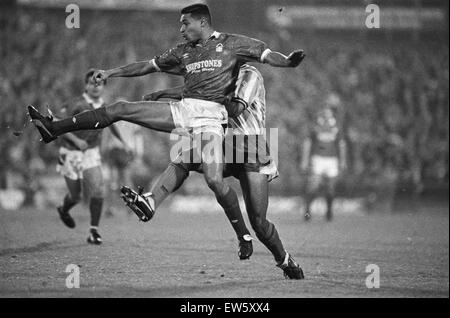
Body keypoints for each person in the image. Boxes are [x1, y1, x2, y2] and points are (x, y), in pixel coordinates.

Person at [27, 3, 304, 269]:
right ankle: (55, 129)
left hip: (246, 145)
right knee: (131, 116)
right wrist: (112, 73)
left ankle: (277, 254)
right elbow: (149, 66)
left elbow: (248, 82)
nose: (181, 28)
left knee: (257, 220)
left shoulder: (245, 66)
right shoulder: (186, 53)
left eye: (185, 23)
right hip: (202, 122)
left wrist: (289, 63)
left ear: (203, 22)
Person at [122, 64, 304, 279]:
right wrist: (162, 94)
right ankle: (151, 202)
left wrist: (205, 94)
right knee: (185, 156)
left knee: (259, 223)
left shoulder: (250, 74)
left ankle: (283, 260)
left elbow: (235, 108)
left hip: (250, 146)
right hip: (225, 142)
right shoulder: (219, 72)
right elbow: (196, 93)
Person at [53, 70, 129, 244]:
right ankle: (64, 210)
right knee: (76, 197)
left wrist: (123, 143)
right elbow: (56, 123)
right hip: (71, 152)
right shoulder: (75, 104)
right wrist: (75, 140)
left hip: (91, 152)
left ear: (103, 87)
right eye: (91, 83)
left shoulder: (105, 106)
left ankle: (93, 231)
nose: (95, 87)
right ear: (85, 85)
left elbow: (112, 124)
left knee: (99, 189)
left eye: (99, 83)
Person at [301, 95, 347, 221]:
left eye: (329, 110)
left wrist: (343, 160)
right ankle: (307, 211)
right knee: (313, 186)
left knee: (330, 188)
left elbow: (341, 143)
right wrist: (305, 160)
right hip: (318, 158)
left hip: (332, 160)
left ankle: (329, 211)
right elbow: (308, 142)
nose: (326, 112)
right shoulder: (316, 123)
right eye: (325, 110)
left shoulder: (337, 124)